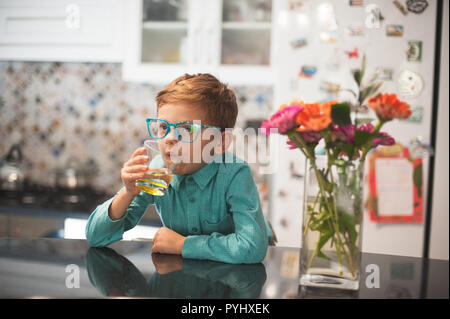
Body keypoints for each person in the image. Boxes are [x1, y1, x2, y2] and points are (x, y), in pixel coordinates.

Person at [85, 73, 275, 264]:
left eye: (186, 129)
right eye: (163, 127)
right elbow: (95, 236)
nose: (169, 138)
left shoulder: (234, 174)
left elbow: (251, 247)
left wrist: (183, 245)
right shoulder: (158, 170)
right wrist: (128, 193)